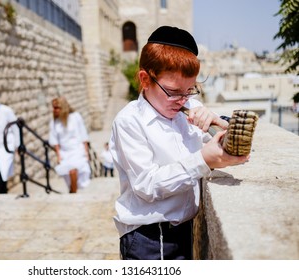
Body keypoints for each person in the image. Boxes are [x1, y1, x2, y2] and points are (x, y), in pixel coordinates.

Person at [109, 26, 250, 260]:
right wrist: (203, 160)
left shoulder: (190, 109)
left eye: (189, 90)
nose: (182, 100)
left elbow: (224, 145)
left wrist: (217, 121)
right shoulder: (129, 121)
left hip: (184, 229)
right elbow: (146, 185)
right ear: (145, 79)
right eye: (173, 92)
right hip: (149, 238)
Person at [48, 96, 91, 193]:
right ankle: (72, 191)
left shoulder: (75, 117)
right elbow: (55, 141)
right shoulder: (54, 122)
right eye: (53, 107)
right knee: (68, 175)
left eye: (56, 107)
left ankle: (73, 193)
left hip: (77, 149)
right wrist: (58, 155)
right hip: (65, 152)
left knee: (73, 171)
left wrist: (86, 151)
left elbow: (83, 134)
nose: (54, 110)